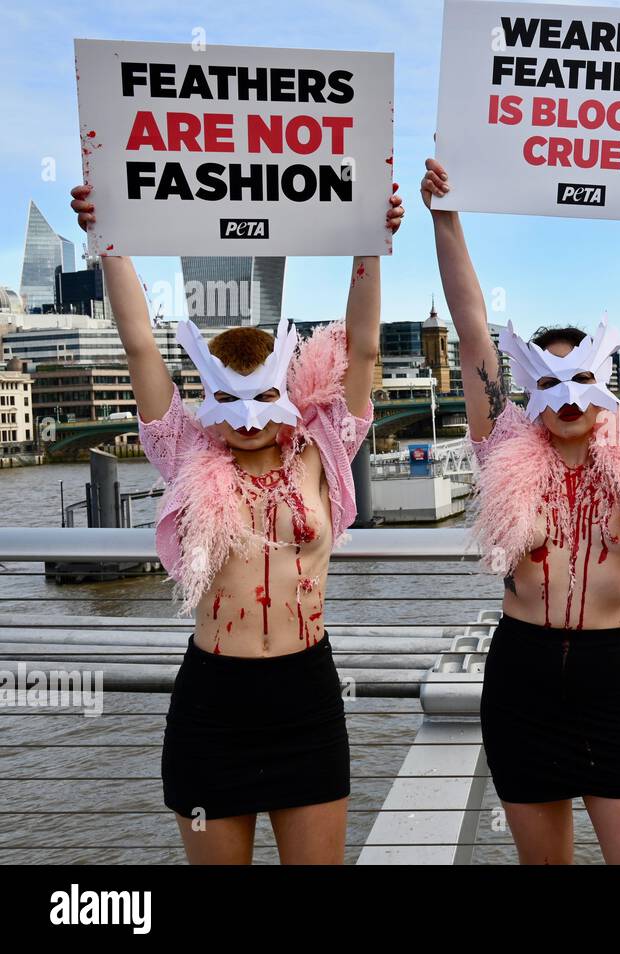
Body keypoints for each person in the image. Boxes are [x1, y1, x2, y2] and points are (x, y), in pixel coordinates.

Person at [69, 182, 406, 864]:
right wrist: (110, 239)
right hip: (213, 701)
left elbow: (363, 352)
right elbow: (140, 348)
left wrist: (371, 243)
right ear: (208, 396)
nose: (249, 419)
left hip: (306, 694)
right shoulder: (185, 452)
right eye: (230, 398)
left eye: (265, 397)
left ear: (287, 395)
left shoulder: (322, 450)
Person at [422, 156, 620, 864]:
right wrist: (445, 217)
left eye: (583, 378)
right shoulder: (501, 448)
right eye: (549, 379)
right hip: (521, 681)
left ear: (606, 384)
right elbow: (473, 333)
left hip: (613, 680)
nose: (567, 397)